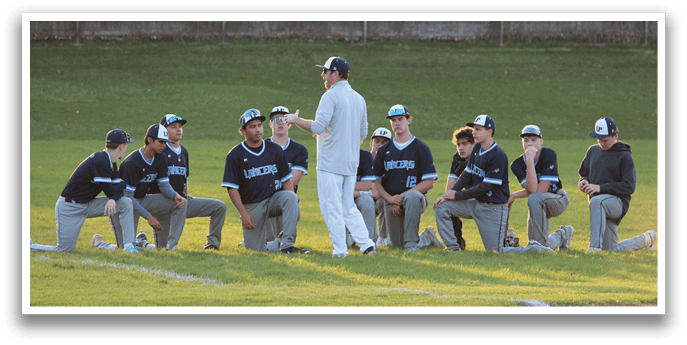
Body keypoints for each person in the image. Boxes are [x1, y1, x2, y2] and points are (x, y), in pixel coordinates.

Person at [285, 56, 377, 257]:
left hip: (330, 164)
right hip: (350, 163)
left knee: (331, 208)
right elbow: (363, 133)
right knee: (348, 207)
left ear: (336, 74)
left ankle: (340, 251)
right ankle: (367, 245)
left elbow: (318, 127)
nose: (323, 75)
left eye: (326, 71)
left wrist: (295, 119)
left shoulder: (330, 96)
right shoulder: (359, 98)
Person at [433, 115, 553, 253]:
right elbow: (467, 174)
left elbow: (485, 187)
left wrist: (457, 195)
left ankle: (535, 248)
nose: (474, 133)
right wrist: (449, 194)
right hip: (476, 204)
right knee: (441, 206)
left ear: (489, 132)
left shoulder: (498, 155)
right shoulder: (477, 148)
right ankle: (453, 248)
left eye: (478, 129)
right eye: (474, 129)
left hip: (494, 209)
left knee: (496, 251)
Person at [30, 129, 139, 253]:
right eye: (126, 145)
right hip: (70, 207)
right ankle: (29, 246)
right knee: (64, 250)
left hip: (88, 204)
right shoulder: (101, 160)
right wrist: (117, 191)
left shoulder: (111, 163)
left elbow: (117, 189)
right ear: (121, 146)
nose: (126, 148)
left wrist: (116, 193)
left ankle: (129, 246)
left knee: (125, 202)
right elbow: (110, 190)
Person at [222, 108, 309, 254]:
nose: (258, 130)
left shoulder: (274, 149)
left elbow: (286, 179)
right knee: (257, 250)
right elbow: (232, 188)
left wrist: (294, 203)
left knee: (290, 196)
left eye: (259, 125)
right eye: (252, 126)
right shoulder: (235, 155)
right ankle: (277, 243)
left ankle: (287, 246)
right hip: (252, 205)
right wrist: (243, 214)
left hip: (274, 200)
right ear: (243, 131)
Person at [138, 114, 227, 250]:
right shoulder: (159, 151)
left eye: (180, 127)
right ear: (163, 130)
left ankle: (212, 244)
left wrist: (185, 194)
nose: (178, 129)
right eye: (173, 127)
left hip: (181, 202)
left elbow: (184, 178)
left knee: (219, 206)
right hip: (163, 205)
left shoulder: (184, 151)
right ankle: (142, 243)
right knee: (162, 249)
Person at [578, 117, 656, 253]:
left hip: (617, 204)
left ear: (615, 135)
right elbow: (584, 174)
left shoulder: (624, 155)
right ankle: (647, 239)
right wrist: (583, 182)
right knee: (611, 251)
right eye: (599, 140)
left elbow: (629, 186)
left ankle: (594, 248)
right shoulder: (592, 151)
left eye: (605, 140)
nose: (602, 143)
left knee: (597, 201)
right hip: (599, 208)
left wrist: (600, 188)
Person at [108, 124, 188, 251]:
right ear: (150, 140)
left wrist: (175, 195)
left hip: (142, 199)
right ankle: (102, 245)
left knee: (180, 202)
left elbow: (164, 185)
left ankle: (171, 246)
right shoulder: (132, 163)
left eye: (166, 142)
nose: (164, 146)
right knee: (125, 247)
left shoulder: (160, 157)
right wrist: (148, 216)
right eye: (161, 142)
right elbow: (128, 196)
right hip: (124, 203)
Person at [372, 104, 441, 251]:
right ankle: (427, 237)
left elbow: (429, 183)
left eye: (400, 119)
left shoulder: (421, 148)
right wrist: (390, 199)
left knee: (413, 196)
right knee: (397, 246)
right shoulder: (384, 150)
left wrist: (401, 197)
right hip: (391, 201)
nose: (396, 123)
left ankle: (412, 244)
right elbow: (376, 183)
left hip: (415, 200)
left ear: (409, 120)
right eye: (393, 120)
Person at [508, 124, 574, 251]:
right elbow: (532, 190)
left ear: (541, 141)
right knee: (536, 243)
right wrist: (514, 195)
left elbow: (538, 191)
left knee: (537, 243)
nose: (529, 144)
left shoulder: (549, 154)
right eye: (525, 140)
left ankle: (545, 244)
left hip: (558, 199)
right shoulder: (516, 165)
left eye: (534, 140)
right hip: (537, 202)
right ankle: (563, 234)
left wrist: (530, 161)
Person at [444, 126, 476, 250]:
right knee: (446, 203)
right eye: (458, 144)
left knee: (496, 246)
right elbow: (449, 190)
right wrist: (457, 169)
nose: (460, 148)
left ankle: (508, 234)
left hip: (488, 202)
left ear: (475, 144)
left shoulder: (483, 157)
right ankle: (456, 242)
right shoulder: (458, 158)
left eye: (465, 143)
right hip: (471, 200)